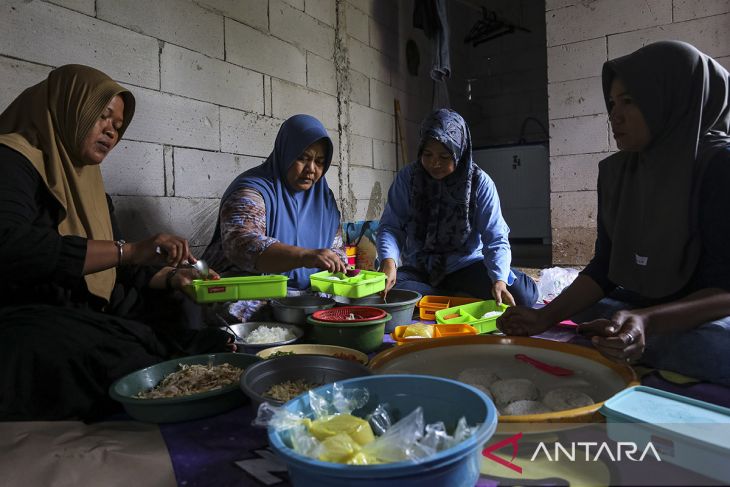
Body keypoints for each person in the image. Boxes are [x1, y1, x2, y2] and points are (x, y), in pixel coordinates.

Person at [0, 64, 232, 421]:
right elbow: (11, 246)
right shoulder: (12, 160)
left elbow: (115, 269)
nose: (111, 131)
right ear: (70, 108)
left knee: (177, 305)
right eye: (103, 117)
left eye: (118, 126)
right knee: (111, 351)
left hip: (83, 306)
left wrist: (172, 277)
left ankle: (173, 358)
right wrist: (129, 251)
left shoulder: (89, 182)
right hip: (27, 312)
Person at [497, 41, 730, 386]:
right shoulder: (619, 172)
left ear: (672, 99)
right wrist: (542, 318)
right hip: (648, 305)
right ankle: (629, 334)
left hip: (703, 312)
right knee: (592, 311)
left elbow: (725, 289)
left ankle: (634, 334)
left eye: (630, 101)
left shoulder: (718, 166)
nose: (614, 115)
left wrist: (647, 321)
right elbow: (606, 267)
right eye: (611, 103)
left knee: (714, 347)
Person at [377, 108, 538, 306]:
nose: (434, 163)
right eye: (427, 154)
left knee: (523, 297)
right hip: (420, 269)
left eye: (444, 157)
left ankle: (439, 297)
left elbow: (495, 237)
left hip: (466, 265)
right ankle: (454, 296)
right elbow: (391, 227)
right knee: (384, 290)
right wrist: (389, 261)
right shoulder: (408, 178)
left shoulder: (480, 183)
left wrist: (499, 279)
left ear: (459, 151)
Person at [202, 114, 347, 320]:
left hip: (305, 296)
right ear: (285, 153)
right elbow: (243, 244)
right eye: (302, 158)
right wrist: (304, 256)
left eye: (319, 162)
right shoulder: (252, 190)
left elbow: (337, 249)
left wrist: (336, 262)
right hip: (250, 290)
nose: (311, 169)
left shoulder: (324, 200)